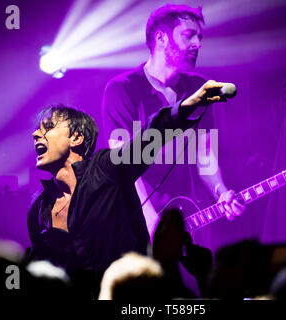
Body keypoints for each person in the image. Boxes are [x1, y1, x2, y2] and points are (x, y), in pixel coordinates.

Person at [26, 79, 234, 297]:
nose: (35, 135)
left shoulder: (106, 169)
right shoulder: (38, 208)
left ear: (76, 138)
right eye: (37, 131)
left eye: (47, 128)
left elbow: (150, 135)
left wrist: (188, 105)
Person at [101, 4, 244, 247]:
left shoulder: (199, 88)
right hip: (138, 221)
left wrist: (221, 192)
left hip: (189, 217)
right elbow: (123, 165)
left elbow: (205, 158)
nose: (198, 44)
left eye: (200, 37)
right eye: (189, 35)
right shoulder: (121, 89)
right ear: (161, 38)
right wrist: (150, 221)